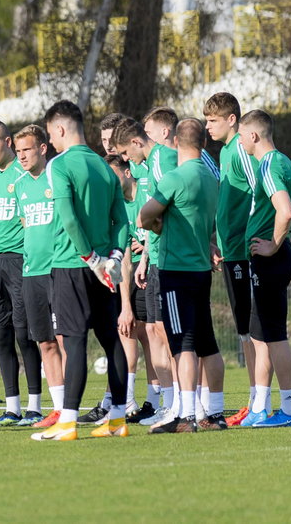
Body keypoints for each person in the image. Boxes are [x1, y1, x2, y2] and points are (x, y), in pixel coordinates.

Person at [31, 101, 130, 442]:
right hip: (104, 269)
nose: (52, 142)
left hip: (73, 265)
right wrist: (113, 257)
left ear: (59, 129)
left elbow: (69, 218)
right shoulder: (105, 166)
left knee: (74, 343)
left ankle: (68, 422)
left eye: (51, 134)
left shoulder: (58, 165)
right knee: (110, 340)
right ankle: (117, 419)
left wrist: (90, 257)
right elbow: (122, 220)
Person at [139, 118, 226, 433]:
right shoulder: (211, 177)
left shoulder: (175, 177)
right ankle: (214, 414)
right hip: (202, 270)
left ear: (175, 142)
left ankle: (186, 416)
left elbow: (144, 214)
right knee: (208, 344)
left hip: (176, 271)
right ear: (204, 143)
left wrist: (156, 225)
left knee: (182, 345)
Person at [237, 110, 291, 428]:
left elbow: (288, 209)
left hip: (269, 260)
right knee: (261, 336)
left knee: (274, 337)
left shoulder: (268, 164)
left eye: (241, 134)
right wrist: (286, 243)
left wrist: (274, 245)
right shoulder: (284, 161)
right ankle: (260, 408)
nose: (240, 140)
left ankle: (290, 410)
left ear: (253, 135)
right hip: (273, 258)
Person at [0, 118, 44, 427]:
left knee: (24, 332)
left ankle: (35, 406)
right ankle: (12, 407)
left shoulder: (24, 172)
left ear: (8, 142)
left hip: (20, 261)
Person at [111, 117, 178, 426]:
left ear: (137, 143)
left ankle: (183, 402)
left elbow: (172, 206)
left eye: (125, 151)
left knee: (168, 333)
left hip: (172, 260)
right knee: (152, 330)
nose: (126, 158)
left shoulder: (163, 159)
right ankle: (163, 402)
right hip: (153, 261)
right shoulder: (147, 166)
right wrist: (145, 257)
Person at [203, 92, 262, 425]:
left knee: (253, 331)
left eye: (212, 120)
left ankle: (259, 400)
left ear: (231, 119)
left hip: (244, 253)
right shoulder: (225, 152)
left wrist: (249, 238)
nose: (207, 126)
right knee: (243, 331)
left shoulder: (241, 148)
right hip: (229, 253)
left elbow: (260, 192)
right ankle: (255, 399)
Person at [13, 125, 66, 429]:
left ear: (43, 149)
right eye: (18, 151)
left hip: (58, 269)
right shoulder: (20, 186)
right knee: (44, 341)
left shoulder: (56, 177)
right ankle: (58, 408)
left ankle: (70, 406)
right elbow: (26, 225)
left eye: (27, 150)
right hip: (31, 272)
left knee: (65, 339)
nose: (21, 156)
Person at [105, 154, 159, 422]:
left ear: (127, 173)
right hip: (129, 275)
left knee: (152, 335)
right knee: (126, 332)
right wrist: (125, 304)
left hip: (153, 271)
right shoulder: (117, 206)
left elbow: (158, 227)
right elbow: (124, 255)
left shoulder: (148, 191)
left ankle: (156, 400)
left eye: (113, 176)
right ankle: (127, 401)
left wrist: (147, 250)